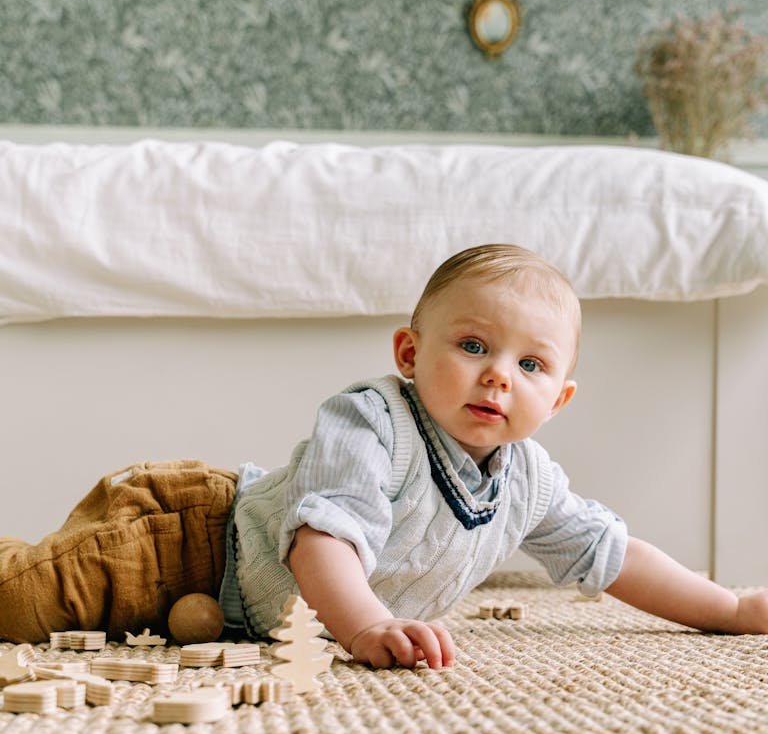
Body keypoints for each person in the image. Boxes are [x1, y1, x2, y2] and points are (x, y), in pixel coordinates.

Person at [1, 244, 767, 664]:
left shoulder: (528, 480)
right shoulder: (372, 422)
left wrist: (728, 609)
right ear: (409, 350)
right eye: (473, 344)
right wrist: (365, 626)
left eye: (531, 366)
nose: (499, 374)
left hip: (239, 605)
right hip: (190, 539)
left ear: (558, 398)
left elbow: (611, 552)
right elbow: (322, 541)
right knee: (26, 599)